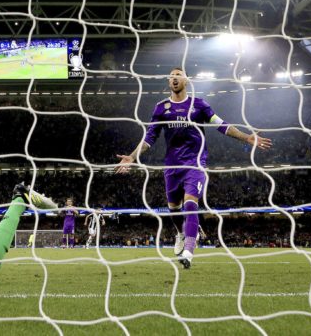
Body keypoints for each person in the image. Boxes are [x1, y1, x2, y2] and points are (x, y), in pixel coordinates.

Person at [115, 67, 272, 268]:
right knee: (173, 208)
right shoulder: (161, 108)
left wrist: (247, 137)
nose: (174, 78)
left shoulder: (199, 105)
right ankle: (180, 233)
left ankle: (189, 251)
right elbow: (150, 137)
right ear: (168, 82)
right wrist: (132, 156)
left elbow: (221, 124)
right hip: (172, 166)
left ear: (186, 80)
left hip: (195, 164)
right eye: (171, 76)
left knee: (190, 204)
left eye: (178, 75)